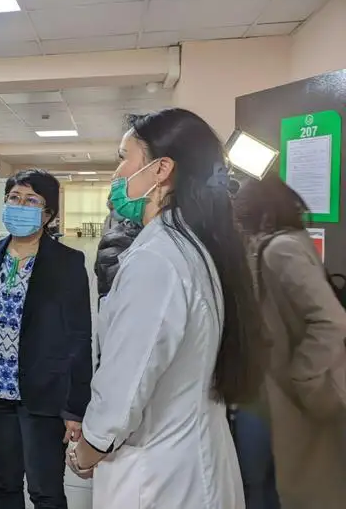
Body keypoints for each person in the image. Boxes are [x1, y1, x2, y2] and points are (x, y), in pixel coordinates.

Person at [65, 108, 263, 509]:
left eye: (125, 158)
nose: (118, 173)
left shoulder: (157, 259)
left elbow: (124, 386)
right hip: (193, 459)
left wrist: (86, 450)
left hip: (158, 476)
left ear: (161, 169)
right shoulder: (197, 245)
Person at [0, 169, 93, 509]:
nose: (20, 205)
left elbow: (78, 337)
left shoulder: (67, 262)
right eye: (14, 198)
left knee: (45, 490)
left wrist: (76, 406)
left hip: (44, 394)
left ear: (48, 214)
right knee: (3, 484)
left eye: (31, 200)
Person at [234, 173, 346, 509]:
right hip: (272, 395)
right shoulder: (289, 243)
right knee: (268, 485)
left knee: (259, 485)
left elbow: (331, 319)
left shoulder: (279, 250)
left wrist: (303, 375)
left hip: (281, 395)